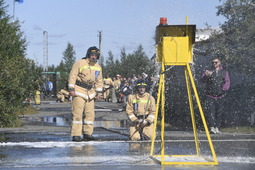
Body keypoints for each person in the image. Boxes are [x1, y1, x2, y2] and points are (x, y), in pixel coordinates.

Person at [68, 46, 103, 142]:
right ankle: (76, 134)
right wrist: (71, 89)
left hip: (90, 93)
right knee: (77, 114)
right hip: (78, 90)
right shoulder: (79, 63)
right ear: (88, 55)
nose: (94, 57)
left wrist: (99, 92)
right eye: (92, 55)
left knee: (90, 114)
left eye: (96, 55)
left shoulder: (98, 67)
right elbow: (72, 76)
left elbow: (99, 81)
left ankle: (88, 134)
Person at [202, 57, 230, 134]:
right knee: (211, 112)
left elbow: (227, 81)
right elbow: (203, 80)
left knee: (219, 112)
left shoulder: (224, 72)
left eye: (216, 62)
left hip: (220, 95)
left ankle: (217, 127)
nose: (214, 64)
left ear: (220, 62)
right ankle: (212, 127)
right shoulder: (208, 71)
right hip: (210, 95)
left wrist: (223, 89)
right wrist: (205, 75)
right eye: (213, 62)